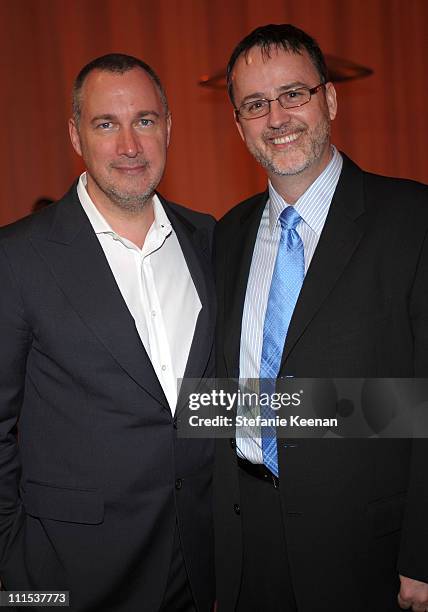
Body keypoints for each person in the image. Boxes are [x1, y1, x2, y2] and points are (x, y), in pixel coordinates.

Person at [213, 24, 428, 612]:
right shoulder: (227, 234)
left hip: (368, 549)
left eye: (293, 94)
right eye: (255, 104)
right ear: (239, 125)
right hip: (246, 541)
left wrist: (423, 554)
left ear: (329, 99)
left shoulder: (412, 220)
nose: (276, 117)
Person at [0, 53, 215, 611]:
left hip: (198, 570)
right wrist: (18, 578)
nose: (129, 146)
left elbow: (213, 404)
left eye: (144, 121)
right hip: (66, 576)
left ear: (168, 127)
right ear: (76, 136)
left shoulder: (211, 239)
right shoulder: (18, 257)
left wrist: (366, 413)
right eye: (105, 124)